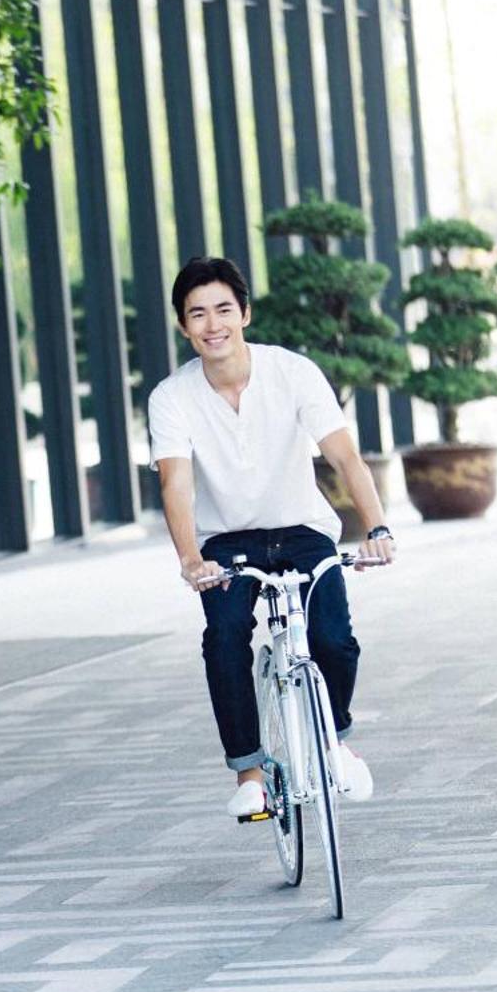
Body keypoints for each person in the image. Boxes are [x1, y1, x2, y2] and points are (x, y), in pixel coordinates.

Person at [147, 256, 396, 819]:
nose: (213, 325)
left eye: (223, 310)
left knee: (334, 639)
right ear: (183, 326)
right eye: (198, 314)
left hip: (303, 530)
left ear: (245, 314)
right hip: (226, 542)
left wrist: (377, 527)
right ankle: (251, 774)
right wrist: (190, 560)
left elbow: (344, 456)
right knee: (225, 635)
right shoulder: (172, 396)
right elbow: (176, 484)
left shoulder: (292, 371)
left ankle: (334, 742)